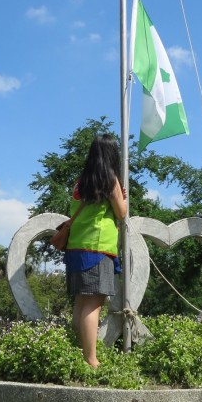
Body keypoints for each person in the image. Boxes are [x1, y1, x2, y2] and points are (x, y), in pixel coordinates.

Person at [64, 134, 127, 368]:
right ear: (112, 154)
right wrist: (123, 198)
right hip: (98, 248)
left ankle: (80, 353)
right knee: (93, 305)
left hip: (76, 248)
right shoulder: (110, 180)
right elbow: (121, 213)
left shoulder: (81, 182)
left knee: (81, 302)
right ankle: (91, 359)